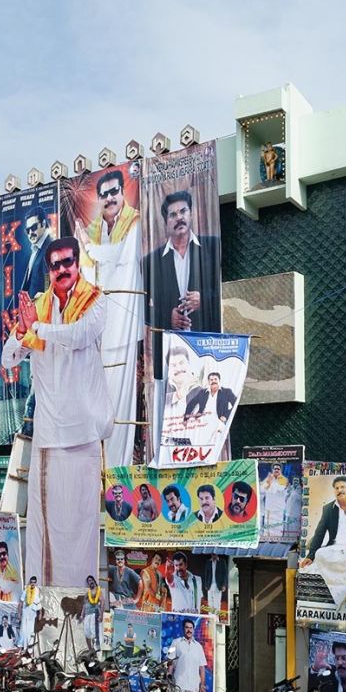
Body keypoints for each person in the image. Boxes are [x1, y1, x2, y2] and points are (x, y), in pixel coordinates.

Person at [1, 236, 114, 586]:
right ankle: (45, 621)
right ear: (49, 271)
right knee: (44, 529)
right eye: (56, 265)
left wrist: (36, 327)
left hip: (83, 432)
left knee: (81, 527)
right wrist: (23, 330)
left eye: (68, 262)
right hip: (49, 435)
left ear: (77, 264)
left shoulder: (97, 300)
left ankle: (82, 617)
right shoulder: (39, 306)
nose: (62, 269)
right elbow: (8, 359)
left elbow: (79, 335)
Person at [74, 168, 143, 467]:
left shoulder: (135, 221)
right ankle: (100, 470)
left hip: (126, 321)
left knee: (127, 400)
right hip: (101, 326)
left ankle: (120, 467)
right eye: (104, 195)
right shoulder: (90, 231)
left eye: (115, 192)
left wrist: (89, 249)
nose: (110, 198)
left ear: (122, 194)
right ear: (99, 200)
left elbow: (120, 257)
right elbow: (88, 272)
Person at [144, 190, 222, 378]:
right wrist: (166, 319)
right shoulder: (150, 262)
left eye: (183, 211)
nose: (179, 218)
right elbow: (144, 310)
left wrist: (205, 299)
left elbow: (230, 289)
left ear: (191, 214)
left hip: (207, 347)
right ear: (166, 222)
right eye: (173, 214)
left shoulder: (213, 247)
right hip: (170, 351)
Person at [169, 618, 207, 692]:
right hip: (179, 684)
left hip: (193, 686)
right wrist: (169, 677)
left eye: (191, 628)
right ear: (183, 629)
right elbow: (169, 661)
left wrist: (202, 685)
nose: (189, 630)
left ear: (193, 630)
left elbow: (202, 668)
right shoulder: (175, 642)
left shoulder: (199, 647)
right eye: (187, 627)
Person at [19, 211, 53, 298]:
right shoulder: (36, 248)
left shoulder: (50, 246)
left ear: (44, 224)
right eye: (27, 230)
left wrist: (46, 294)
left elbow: (48, 275)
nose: (30, 233)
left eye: (34, 227)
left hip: (42, 307)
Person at [81, 575, 102, 648]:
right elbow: (84, 605)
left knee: (94, 633)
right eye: (89, 581)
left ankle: (96, 650)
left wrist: (101, 615)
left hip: (94, 613)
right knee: (87, 633)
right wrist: (81, 615)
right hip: (87, 614)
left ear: (94, 581)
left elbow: (102, 602)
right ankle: (90, 650)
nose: (91, 582)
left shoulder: (98, 590)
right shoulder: (87, 593)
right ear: (88, 583)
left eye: (91, 580)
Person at [21, 577, 41, 647]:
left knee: (30, 630)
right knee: (24, 630)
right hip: (25, 611)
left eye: (34, 582)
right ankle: (23, 646)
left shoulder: (37, 591)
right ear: (30, 582)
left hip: (32, 612)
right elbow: (21, 601)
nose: (32, 583)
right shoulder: (26, 590)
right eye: (31, 582)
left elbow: (38, 602)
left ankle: (29, 646)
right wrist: (18, 613)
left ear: (36, 583)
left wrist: (40, 614)